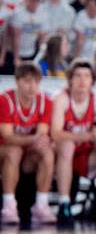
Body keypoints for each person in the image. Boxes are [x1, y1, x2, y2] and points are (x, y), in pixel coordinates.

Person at [51, 59, 96, 226]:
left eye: (86, 76)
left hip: (88, 157)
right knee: (67, 146)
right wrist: (89, 135)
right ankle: (64, 203)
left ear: (92, 80)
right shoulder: (60, 98)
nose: (82, 81)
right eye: (77, 76)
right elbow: (56, 134)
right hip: (61, 157)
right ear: (70, 79)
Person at [0, 62, 55, 224]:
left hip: (26, 155)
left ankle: (41, 204)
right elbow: (8, 137)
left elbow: (42, 134)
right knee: (13, 150)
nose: (32, 87)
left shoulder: (45, 102)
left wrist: (39, 141)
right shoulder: (5, 100)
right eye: (27, 81)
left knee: (46, 151)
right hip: (5, 151)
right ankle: (9, 205)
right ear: (17, 81)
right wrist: (33, 139)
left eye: (36, 82)